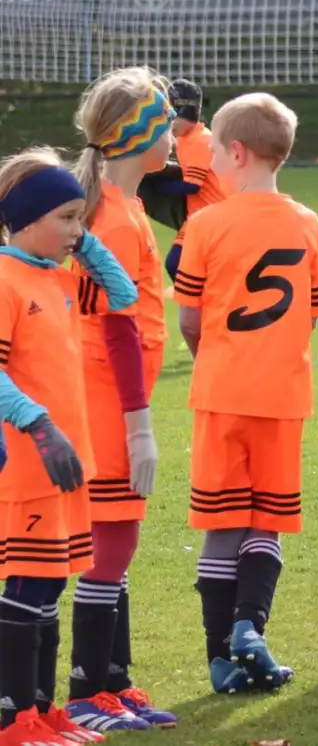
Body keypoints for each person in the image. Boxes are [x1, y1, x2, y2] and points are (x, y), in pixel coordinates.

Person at [174, 93, 318, 693]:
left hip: (222, 391)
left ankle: (220, 657)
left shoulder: (205, 223)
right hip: (283, 395)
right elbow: (310, 313)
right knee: (267, 520)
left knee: (221, 522)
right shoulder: (307, 221)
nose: (209, 158)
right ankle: (249, 626)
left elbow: (190, 319)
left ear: (236, 153)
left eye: (212, 149)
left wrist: (211, 358)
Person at [0, 147, 135, 746]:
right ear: (26, 219)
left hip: (64, 469)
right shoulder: (5, 280)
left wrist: (83, 245)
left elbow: (124, 295)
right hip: (30, 464)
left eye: (81, 217)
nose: (77, 229)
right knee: (28, 586)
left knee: (49, 585)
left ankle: (42, 708)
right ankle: (12, 719)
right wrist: (39, 424)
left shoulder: (54, 277)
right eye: (66, 218)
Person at [66, 69, 177, 732]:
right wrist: (139, 425)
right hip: (104, 401)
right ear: (136, 133)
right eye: (163, 122)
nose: (173, 135)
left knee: (119, 542)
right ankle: (86, 693)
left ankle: (115, 683)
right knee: (111, 543)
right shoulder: (109, 212)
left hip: (109, 397)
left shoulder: (123, 205)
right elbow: (115, 327)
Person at [162, 79, 230, 283]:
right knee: (179, 266)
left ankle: (207, 305)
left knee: (179, 265)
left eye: (173, 119)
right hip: (199, 217)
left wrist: (153, 186)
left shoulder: (199, 141)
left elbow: (192, 185)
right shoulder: (187, 138)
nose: (169, 126)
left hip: (212, 219)